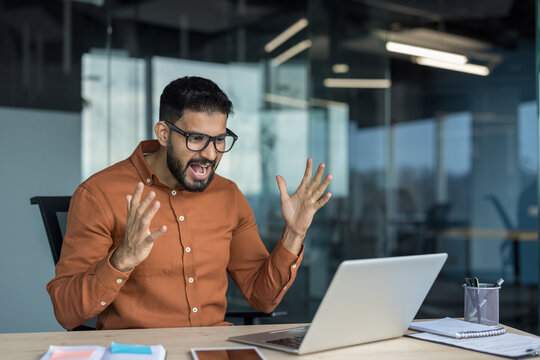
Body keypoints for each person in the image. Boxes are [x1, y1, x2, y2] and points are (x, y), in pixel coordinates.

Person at [47, 76, 332, 330]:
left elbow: (263, 298)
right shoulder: (99, 194)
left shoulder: (229, 196)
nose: (210, 154)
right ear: (163, 134)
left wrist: (294, 233)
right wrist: (122, 259)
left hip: (214, 351)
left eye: (219, 139)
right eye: (196, 138)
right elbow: (66, 312)